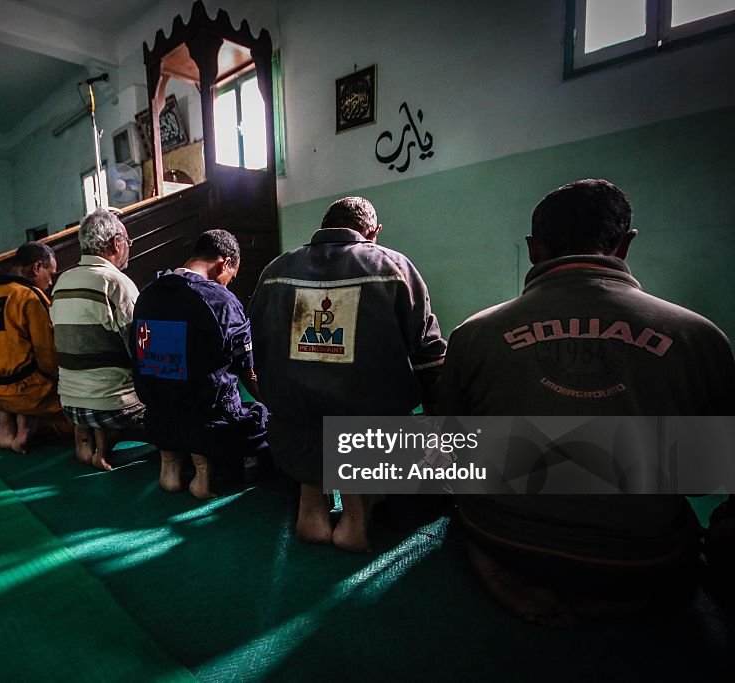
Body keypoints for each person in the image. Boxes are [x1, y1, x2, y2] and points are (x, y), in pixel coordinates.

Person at [440, 179, 735, 627]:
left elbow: (450, 456)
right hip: (639, 559)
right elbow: (705, 479)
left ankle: (506, 574)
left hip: (505, 537)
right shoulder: (700, 336)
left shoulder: (473, 332)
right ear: (624, 244)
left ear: (534, 249)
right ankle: (616, 600)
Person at [248, 196, 446, 552]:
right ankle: (356, 518)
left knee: (309, 413)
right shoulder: (393, 267)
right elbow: (428, 354)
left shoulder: (275, 270)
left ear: (324, 225)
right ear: (373, 232)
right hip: (368, 431)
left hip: (291, 427)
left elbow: (255, 346)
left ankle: (312, 510)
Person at [132, 229, 269, 498]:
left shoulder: (147, 295)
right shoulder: (220, 300)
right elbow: (246, 369)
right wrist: (269, 402)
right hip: (210, 424)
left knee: (174, 391)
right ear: (223, 264)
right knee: (259, 417)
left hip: (158, 420)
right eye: (231, 276)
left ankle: (170, 468)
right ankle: (203, 476)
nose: (228, 284)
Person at [51, 209, 145, 471]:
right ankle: (108, 439)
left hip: (69, 404)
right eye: (128, 242)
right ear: (116, 243)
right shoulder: (117, 283)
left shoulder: (62, 282)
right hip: (113, 407)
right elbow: (139, 350)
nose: (128, 247)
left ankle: (88, 439)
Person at [0, 242, 70, 452]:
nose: (50, 282)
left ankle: (7, 428)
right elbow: (47, 355)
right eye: (50, 274)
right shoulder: (29, 297)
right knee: (79, 415)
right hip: (31, 393)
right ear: (36, 268)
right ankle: (33, 427)